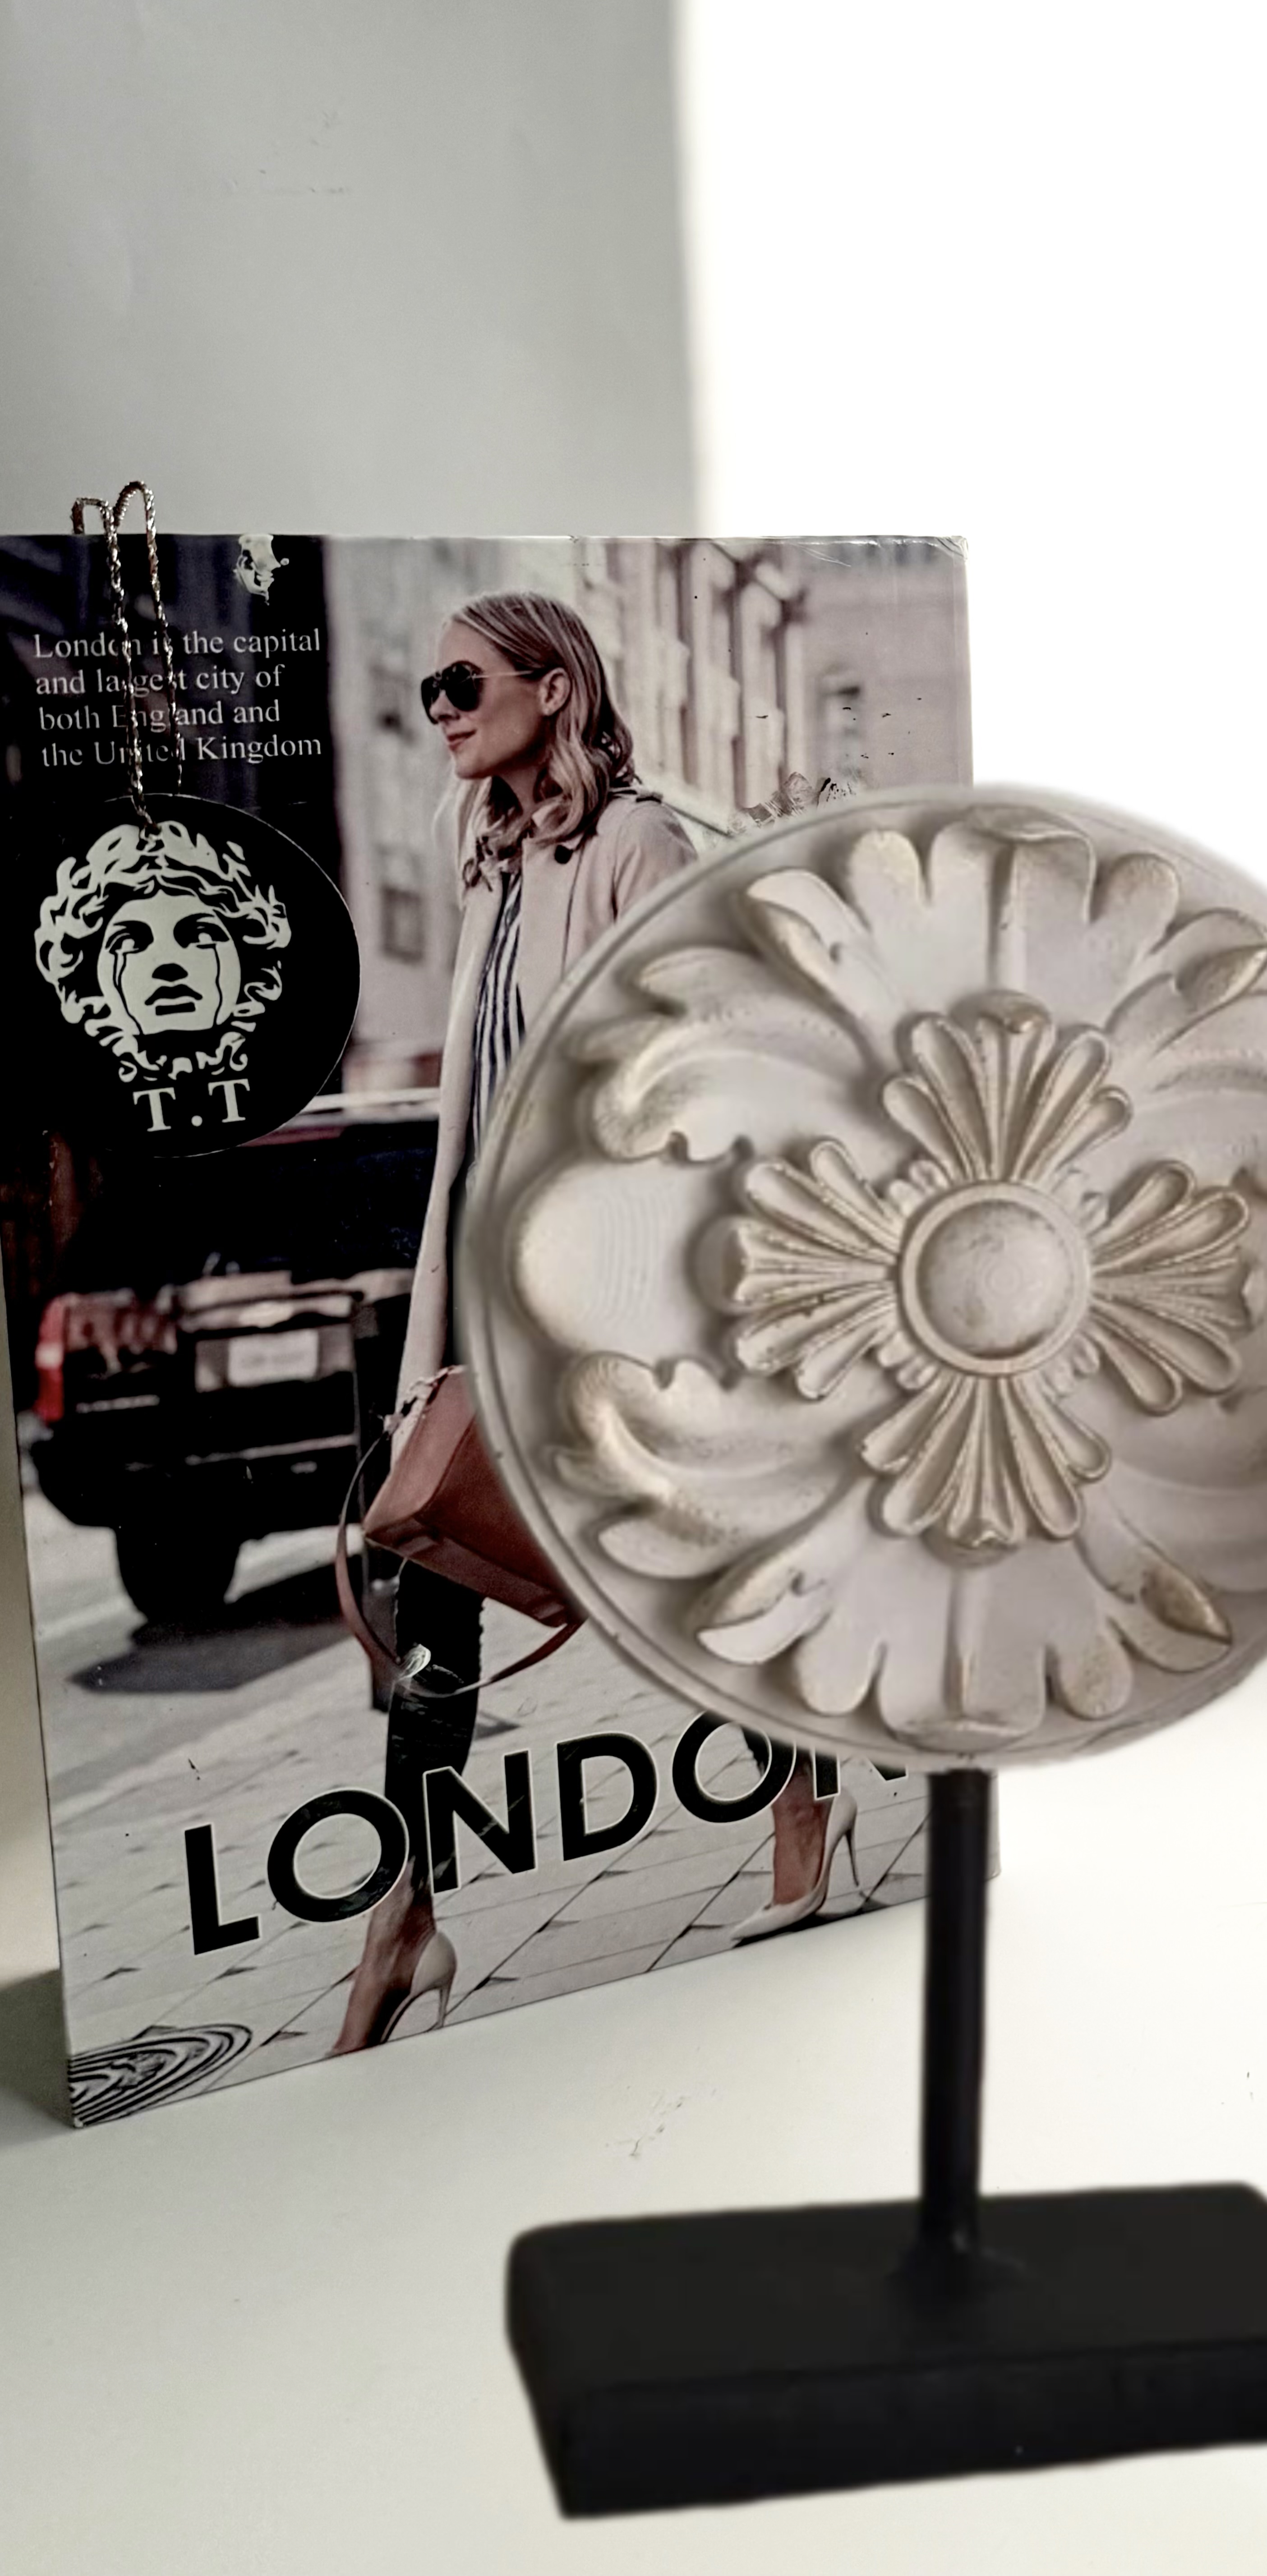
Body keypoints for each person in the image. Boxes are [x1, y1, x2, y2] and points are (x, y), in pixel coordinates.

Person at [331, 590, 852, 2045]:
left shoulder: (640, 846)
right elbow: (471, 1116)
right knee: (428, 1569)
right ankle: (405, 1916)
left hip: (611, 1279)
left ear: (554, 687)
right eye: (429, 693)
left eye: (463, 683)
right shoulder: (489, 861)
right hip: (489, 1276)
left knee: (688, 1560)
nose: (440, 712)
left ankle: (802, 1793)